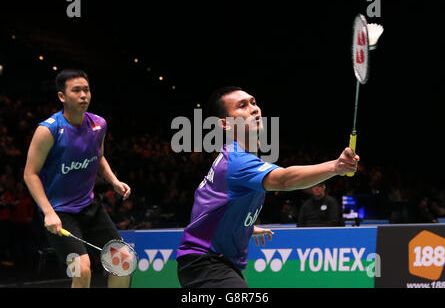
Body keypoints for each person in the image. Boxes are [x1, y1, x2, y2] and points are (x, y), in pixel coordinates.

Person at [176, 86, 359, 288]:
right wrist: (336, 166)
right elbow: (284, 180)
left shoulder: (234, 159)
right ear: (225, 124)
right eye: (242, 106)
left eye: (253, 102)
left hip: (212, 265)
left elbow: (205, 205)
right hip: (206, 264)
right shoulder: (236, 161)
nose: (254, 109)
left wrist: (242, 226)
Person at [23, 69, 131, 288]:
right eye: (77, 90)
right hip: (60, 213)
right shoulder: (48, 130)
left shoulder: (98, 124)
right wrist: (48, 213)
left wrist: (113, 181)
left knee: (124, 262)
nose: (84, 95)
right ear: (62, 96)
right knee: (81, 270)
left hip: (90, 207)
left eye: (87, 90)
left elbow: (98, 155)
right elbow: (30, 174)